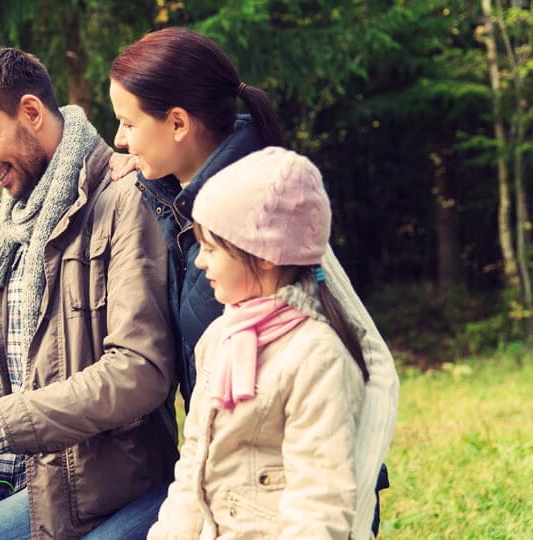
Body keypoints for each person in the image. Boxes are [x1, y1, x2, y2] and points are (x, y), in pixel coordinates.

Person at [108, 27, 397, 536]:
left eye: (128, 123)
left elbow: (369, 364)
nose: (120, 140)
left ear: (177, 122)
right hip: (223, 494)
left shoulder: (265, 213)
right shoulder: (184, 207)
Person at [0, 47, 178, 539]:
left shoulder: (124, 200)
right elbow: (23, 378)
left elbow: (139, 373)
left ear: (31, 112)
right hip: (36, 483)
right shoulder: (13, 231)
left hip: (116, 489)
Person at [149, 147, 370, 538]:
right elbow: (191, 471)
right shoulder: (221, 337)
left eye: (212, 249)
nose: (200, 262)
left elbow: (319, 506)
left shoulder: (317, 357)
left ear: (265, 255)